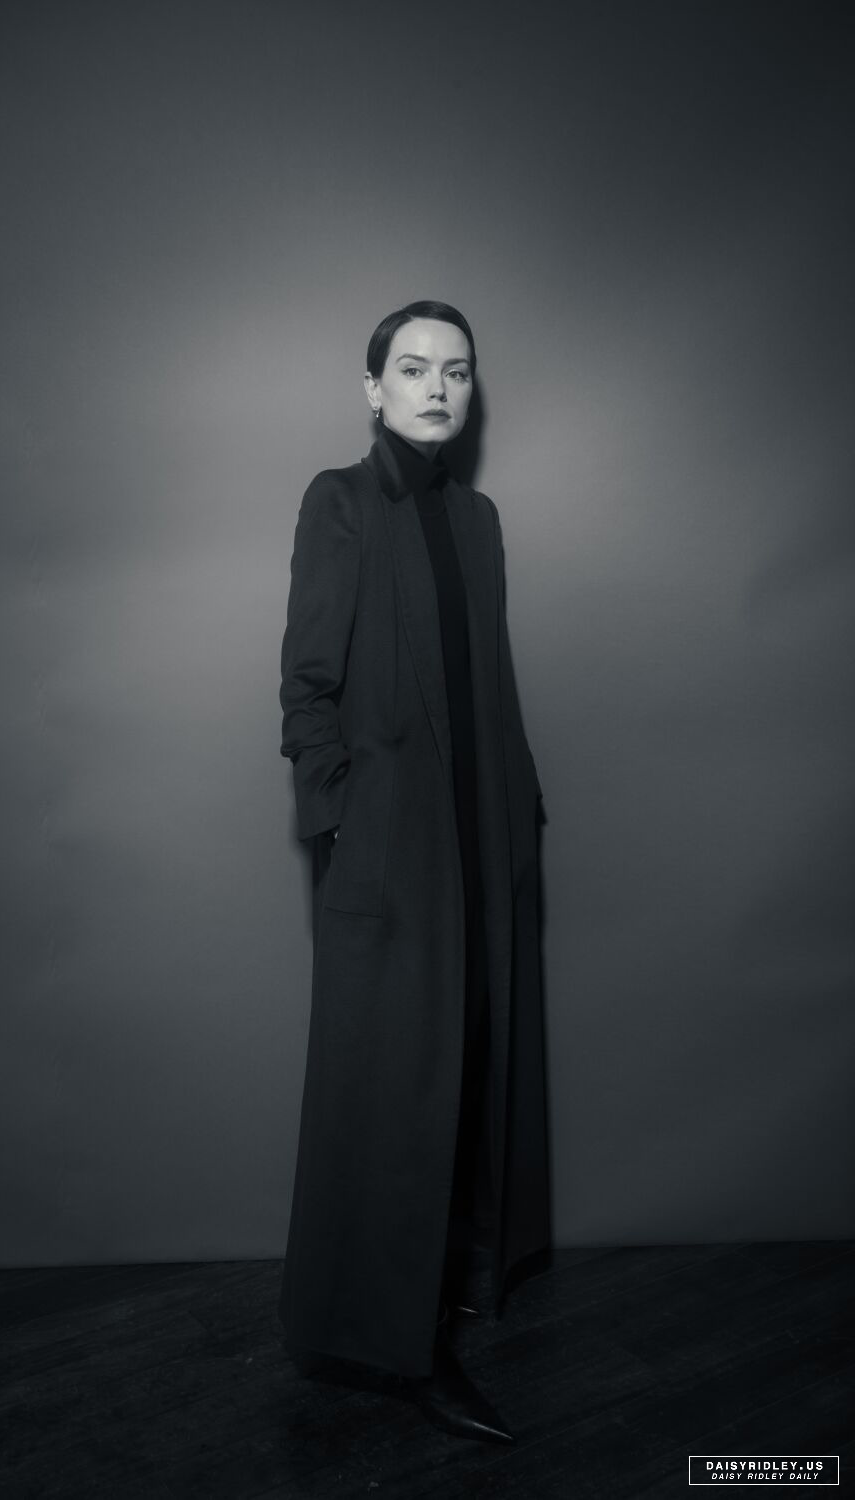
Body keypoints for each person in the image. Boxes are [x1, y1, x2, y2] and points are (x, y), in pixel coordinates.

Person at [278, 300, 548, 1444]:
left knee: (472, 1068)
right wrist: (340, 823)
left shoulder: (478, 519)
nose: (437, 388)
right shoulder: (338, 500)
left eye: (457, 371)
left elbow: (488, 680)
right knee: (394, 1089)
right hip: (392, 848)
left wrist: (521, 810)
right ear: (373, 389)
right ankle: (396, 1347)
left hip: (485, 838)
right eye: (413, 368)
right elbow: (306, 686)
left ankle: (456, 1284)